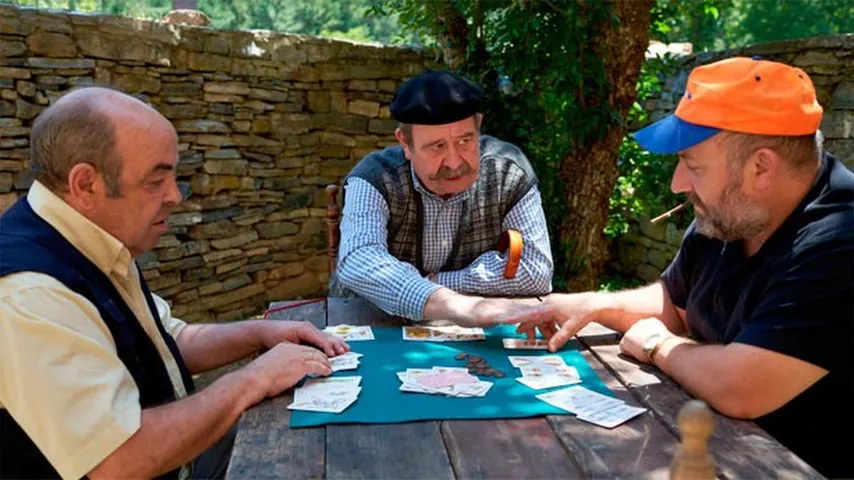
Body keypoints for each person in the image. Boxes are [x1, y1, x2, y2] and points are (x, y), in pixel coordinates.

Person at [506, 58, 853, 477]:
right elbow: (675, 302)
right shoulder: (732, 213)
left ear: (760, 168)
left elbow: (741, 386)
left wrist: (660, 346)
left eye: (692, 164)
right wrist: (592, 305)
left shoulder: (840, 239)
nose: (677, 183)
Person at [0, 87, 350, 480]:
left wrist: (261, 333)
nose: (175, 196)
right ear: (86, 185)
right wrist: (256, 378)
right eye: (156, 181)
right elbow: (117, 460)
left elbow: (164, 341)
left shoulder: (83, 238)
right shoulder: (29, 293)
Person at [329, 70, 554, 325]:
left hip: (470, 334)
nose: (455, 162)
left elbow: (536, 271)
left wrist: (441, 283)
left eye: (464, 140)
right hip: (367, 324)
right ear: (405, 143)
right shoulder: (374, 177)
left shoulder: (509, 172)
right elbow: (358, 259)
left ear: (478, 126)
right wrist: (454, 303)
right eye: (437, 147)